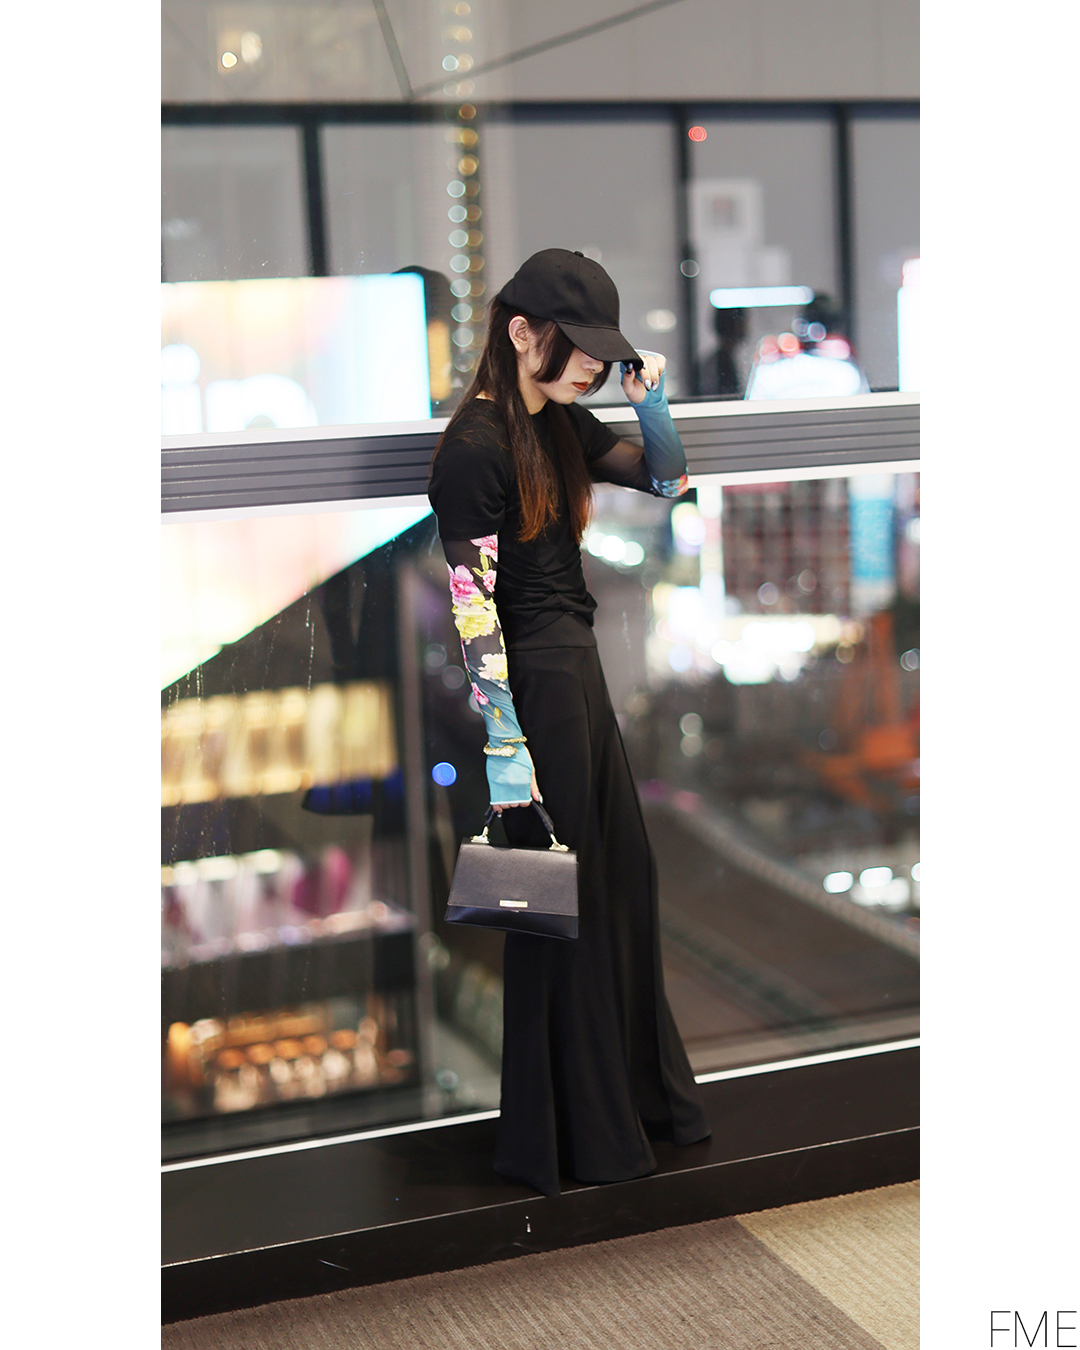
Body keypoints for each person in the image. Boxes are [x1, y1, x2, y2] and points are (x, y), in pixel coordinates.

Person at [428, 248, 710, 1197]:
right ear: (521, 332)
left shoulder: (558, 421)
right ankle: (574, 1135)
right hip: (536, 689)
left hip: (576, 671)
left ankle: (626, 1106)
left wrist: (650, 402)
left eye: (602, 349)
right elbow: (474, 611)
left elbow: (669, 481)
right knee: (562, 904)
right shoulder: (474, 447)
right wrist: (506, 747)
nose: (593, 363)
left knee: (620, 880)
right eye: (580, 346)